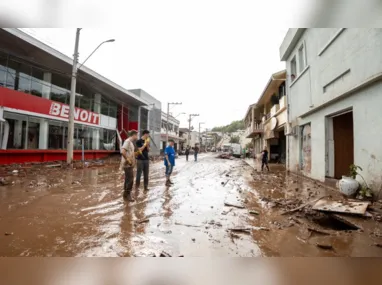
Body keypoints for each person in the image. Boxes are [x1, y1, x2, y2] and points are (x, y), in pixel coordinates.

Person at [120, 130, 138, 201]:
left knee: (128, 179)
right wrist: (128, 160)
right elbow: (123, 152)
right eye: (136, 135)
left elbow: (130, 153)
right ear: (133, 135)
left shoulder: (131, 143)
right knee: (130, 180)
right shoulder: (127, 141)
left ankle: (125, 195)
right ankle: (128, 195)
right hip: (127, 164)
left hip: (130, 164)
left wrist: (136, 154)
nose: (137, 136)